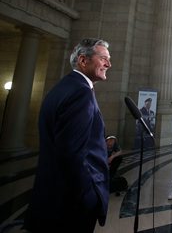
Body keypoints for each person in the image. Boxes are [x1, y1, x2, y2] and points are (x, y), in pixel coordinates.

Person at [24, 38, 111, 233]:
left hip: (53, 195)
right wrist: (89, 196)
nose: (108, 64)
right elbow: (71, 153)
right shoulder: (81, 93)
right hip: (71, 203)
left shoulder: (63, 87)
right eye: (103, 58)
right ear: (83, 60)